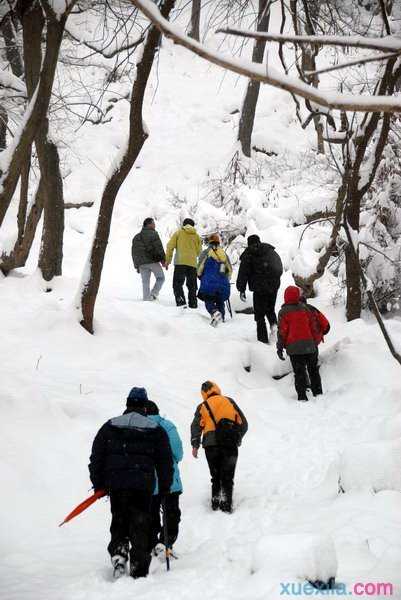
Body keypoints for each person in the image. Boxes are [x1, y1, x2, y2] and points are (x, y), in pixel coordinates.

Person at [88, 387, 173, 579]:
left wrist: (99, 483)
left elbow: (97, 457)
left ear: (127, 404)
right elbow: (165, 461)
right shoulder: (155, 430)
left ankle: (119, 556)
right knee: (140, 524)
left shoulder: (109, 426)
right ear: (144, 405)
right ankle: (138, 566)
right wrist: (165, 486)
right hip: (142, 486)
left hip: (117, 485)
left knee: (119, 520)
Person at [191, 381, 248, 513]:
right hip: (230, 444)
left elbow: (195, 426)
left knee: (215, 476)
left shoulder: (203, 406)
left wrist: (195, 444)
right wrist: (237, 438)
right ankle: (226, 504)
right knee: (228, 476)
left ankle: (215, 503)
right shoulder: (229, 401)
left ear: (203, 394)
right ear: (217, 388)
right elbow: (244, 424)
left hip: (211, 445)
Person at [276, 286, 330, 402]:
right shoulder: (305, 309)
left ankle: (302, 397)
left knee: (299, 373)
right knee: (313, 371)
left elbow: (282, 332)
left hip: (294, 349)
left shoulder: (283, 312)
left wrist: (280, 348)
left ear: (285, 297)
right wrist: (315, 343)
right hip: (310, 346)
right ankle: (318, 393)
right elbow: (313, 327)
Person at [145, 400, 183, 557]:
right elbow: (178, 453)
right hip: (169, 478)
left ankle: (154, 543)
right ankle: (166, 543)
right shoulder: (167, 426)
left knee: (151, 513)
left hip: (147, 480)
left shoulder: (139, 427)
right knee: (171, 513)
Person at [236, 234, 283, 344]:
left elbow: (243, 274)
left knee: (259, 315)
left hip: (259, 288)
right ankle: (274, 327)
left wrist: (241, 289)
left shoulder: (248, 254)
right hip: (273, 286)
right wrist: (273, 280)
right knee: (270, 309)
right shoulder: (270, 251)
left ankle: (262, 341)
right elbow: (279, 268)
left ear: (249, 243)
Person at [165, 218, 202, 308]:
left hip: (180, 263)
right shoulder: (197, 236)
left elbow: (170, 246)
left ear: (184, 225)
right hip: (192, 264)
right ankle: (193, 304)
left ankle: (181, 302)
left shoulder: (178, 233)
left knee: (177, 284)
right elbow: (199, 251)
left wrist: (168, 261)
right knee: (192, 285)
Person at [197, 233, 232, 327]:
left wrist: (199, 275)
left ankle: (214, 312)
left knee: (208, 299)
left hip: (209, 282)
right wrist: (226, 281)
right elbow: (230, 271)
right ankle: (222, 320)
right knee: (220, 300)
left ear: (209, 242)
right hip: (223, 284)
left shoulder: (206, 253)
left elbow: (200, 268)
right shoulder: (224, 254)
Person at [132, 217, 166, 301]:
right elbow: (159, 248)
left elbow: (134, 252)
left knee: (145, 282)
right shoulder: (153, 234)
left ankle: (146, 299)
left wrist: (137, 265)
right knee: (161, 278)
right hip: (152, 261)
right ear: (149, 224)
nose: (155, 225)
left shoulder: (136, 237)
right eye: (153, 223)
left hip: (141, 264)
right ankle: (154, 294)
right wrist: (163, 260)